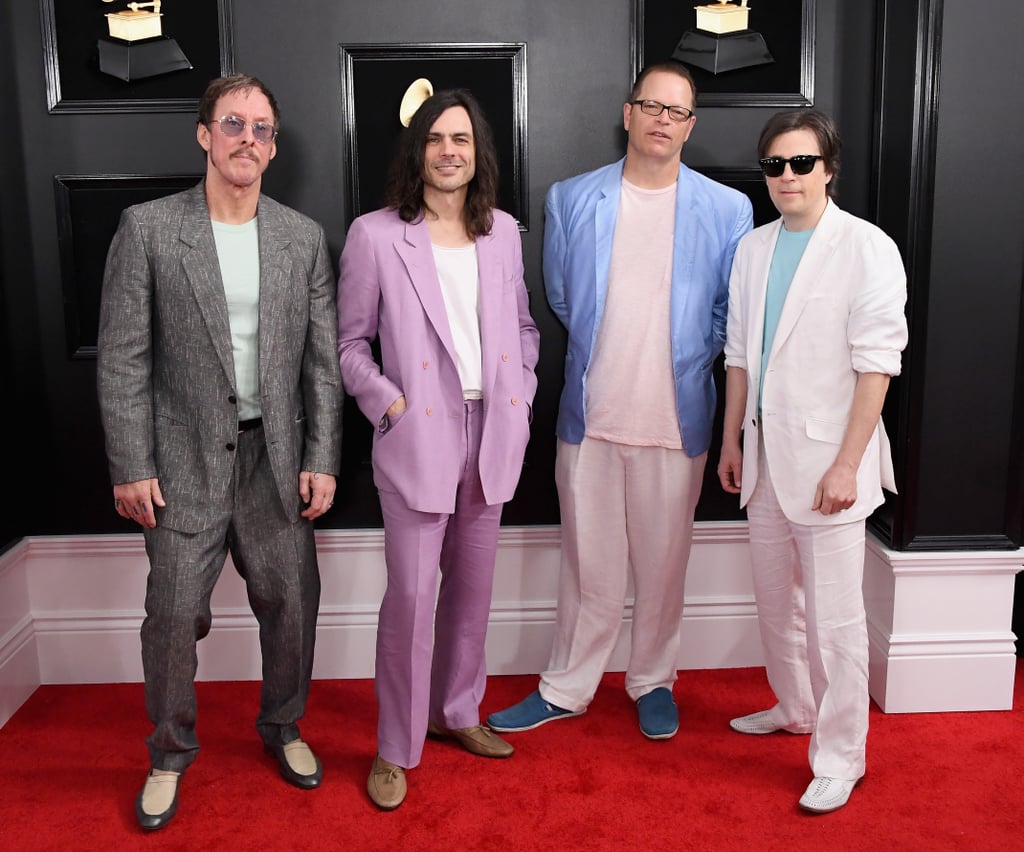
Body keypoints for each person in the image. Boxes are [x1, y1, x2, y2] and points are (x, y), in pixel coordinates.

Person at [96, 74, 342, 831]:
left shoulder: (301, 237)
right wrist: (131, 463)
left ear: (272, 146)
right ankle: (169, 752)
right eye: (233, 124)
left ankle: (283, 727)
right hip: (179, 465)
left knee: (293, 606)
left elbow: (322, 365)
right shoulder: (147, 229)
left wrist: (323, 456)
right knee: (171, 617)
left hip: (275, 460)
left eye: (262, 128)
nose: (248, 139)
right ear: (205, 134)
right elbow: (122, 360)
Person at [487, 61, 752, 740]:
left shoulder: (728, 209)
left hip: (677, 416)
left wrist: (687, 352)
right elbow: (563, 299)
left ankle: (652, 681)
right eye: (652, 106)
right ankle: (566, 687)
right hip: (591, 417)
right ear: (628, 113)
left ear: (690, 127)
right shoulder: (572, 199)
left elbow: (727, 310)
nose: (664, 120)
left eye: (678, 111)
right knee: (587, 564)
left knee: (664, 568)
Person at [336, 88, 540, 811]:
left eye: (462, 139)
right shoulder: (375, 235)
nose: (450, 151)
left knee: (473, 595)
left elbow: (522, 326)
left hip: (493, 433)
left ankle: (458, 713)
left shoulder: (505, 233)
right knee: (413, 599)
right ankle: (395, 746)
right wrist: (388, 401)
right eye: (436, 139)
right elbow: (349, 343)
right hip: (416, 431)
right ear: (417, 151)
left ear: (478, 152)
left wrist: (521, 395)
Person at [716, 109, 908, 813]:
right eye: (775, 165)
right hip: (765, 458)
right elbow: (739, 355)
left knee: (835, 624)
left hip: (833, 464)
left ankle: (841, 756)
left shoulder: (867, 248)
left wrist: (846, 464)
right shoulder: (752, 249)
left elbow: (876, 367)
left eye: (801, 163)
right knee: (776, 605)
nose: (788, 177)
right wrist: (732, 439)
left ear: (828, 168)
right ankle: (794, 708)